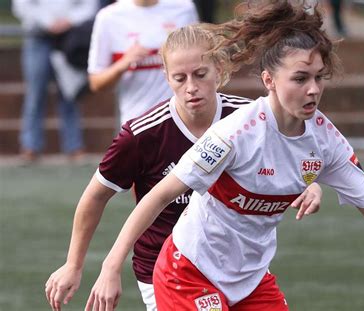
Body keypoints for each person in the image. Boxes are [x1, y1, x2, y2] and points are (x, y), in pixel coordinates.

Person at [83, 2, 364, 311]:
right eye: (300, 78)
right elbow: (159, 195)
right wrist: (111, 266)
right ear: (269, 80)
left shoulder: (326, 141)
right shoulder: (234, 133)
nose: (313, 89)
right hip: (188, 272)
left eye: (319, 78)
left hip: (251, 279)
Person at [45, 24, 323, 311]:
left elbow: (291, 153)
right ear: (166, 78)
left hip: (240, 268)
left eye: (200, 74)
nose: (191, 87)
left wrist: (310, 184)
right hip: (168, 271)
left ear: (219, 69)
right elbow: (95, 196)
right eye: (179, 78)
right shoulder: (143, 135)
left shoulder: (250, 119)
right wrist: (74, 265)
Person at [87, 0, 199, 126]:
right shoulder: (108, 16)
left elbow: (201, 60)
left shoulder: (184, 8)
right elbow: (95, 82)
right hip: (137, 125)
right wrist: (123, 63)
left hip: (183, 122)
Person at [12, 0, 98, 162]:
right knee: (35, 94)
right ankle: (30, 146)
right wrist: (48, 22)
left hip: (70, 38)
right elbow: (21, 5)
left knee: (70, 93)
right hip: (37, 36)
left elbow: (89, 5)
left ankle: (74, 147)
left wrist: (69, 20)